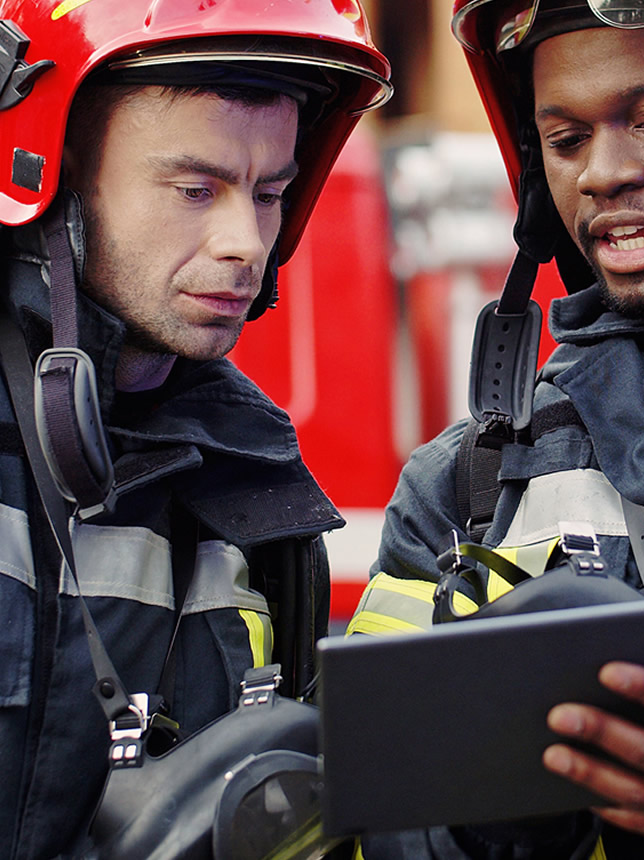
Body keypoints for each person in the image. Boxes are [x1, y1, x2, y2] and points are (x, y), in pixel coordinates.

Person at [348, 1, 644, 858]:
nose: (602, 174)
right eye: (564, 141)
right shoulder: (464, 487)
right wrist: (489, 815)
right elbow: (366, 821)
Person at [0, 1, 390, 857]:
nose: (245, 241)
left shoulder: (259, 494)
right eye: (195, 190)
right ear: (51, 178)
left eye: (272, 193)